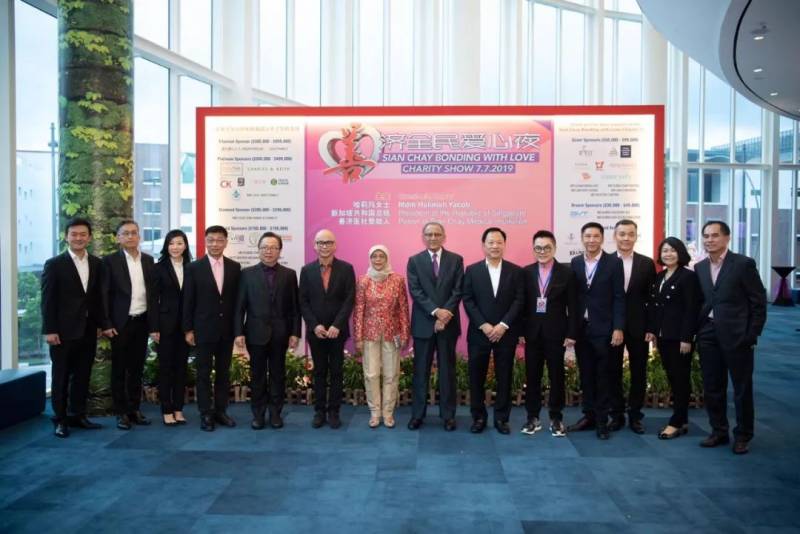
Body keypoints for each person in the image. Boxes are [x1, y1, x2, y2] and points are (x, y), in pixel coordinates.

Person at [694, 220, 766, 454]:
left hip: (737, 336)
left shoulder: (743, 264)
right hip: (708, 333)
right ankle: (719, 431)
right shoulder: (700, 267)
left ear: (727, 238)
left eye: (715, 235)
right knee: (712, 386)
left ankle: (743, 435)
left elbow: (758, 302)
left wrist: (751, 334)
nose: (710, 240)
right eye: (706, 236)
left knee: (741, 388)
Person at [40, 218, 105, 438]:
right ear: (66, 237)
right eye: (74, 234)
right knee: (61, 376)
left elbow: (96, 298)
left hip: (88, 329)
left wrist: (100, 324)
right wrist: (50, 330)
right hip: (62, 331)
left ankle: (78, 414)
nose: (78, 238)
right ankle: (60, 419)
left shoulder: (96, 263)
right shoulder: (54, 264)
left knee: (83, 375)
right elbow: (48, 300)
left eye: (83, 234)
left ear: (89, 237)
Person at [234, 232, 301, 430]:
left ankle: (275, 414)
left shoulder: (289, 274)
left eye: (273, 247)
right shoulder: (246, 274)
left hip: (281, 334)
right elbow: (239, 307)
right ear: (258, 250)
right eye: (264, 247)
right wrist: (238, 332)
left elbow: (295, 308)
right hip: (255, 333)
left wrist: (295, 333)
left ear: (280, 251)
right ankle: (258, 414)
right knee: (257, 376)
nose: (268, 251)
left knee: (278, 376)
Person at [462, 227, 523, 435]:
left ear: (504, 245)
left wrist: (503, 325)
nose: (495, 246)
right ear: (483, 245)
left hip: (506, 333)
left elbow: (519, 300)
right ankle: (478, 417)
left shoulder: (516, 271)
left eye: (499, 242)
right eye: (491, 242)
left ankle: (501, 419)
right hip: (479, 333)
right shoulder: (472, 270)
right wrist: (484, 325)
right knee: (476, 377)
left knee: (504, 377)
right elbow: (468, 300)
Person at [568, 222, 625, 440]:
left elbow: (619, 297)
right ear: (582, 238)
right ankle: (589, 416)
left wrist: (618, 327)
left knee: (603, 376)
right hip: (582, 329)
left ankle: (602, 421)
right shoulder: (575, 262)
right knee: (586, 375)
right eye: (588, 236)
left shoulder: (614, 263)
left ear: (602, 238)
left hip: (605, 329)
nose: (591, 240)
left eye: (595, 236)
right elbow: (573, 298)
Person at [183, 225, 241, 432]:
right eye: (211, 240)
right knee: (203, 374)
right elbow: (188, 301)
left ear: (226, 242)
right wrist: (188, 329)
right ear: (205, 241)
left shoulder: (235, 267)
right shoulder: (193, 268)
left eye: (219, 240)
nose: (215, 244)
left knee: (223, 374)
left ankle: (221, 411)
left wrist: (238, 330)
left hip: (226, 331)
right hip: (203, 330)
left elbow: (237, 302)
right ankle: (205, 413)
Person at [519, 230, 577, 437]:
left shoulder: (567, 273)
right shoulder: (526, 272)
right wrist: (520, 331)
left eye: (546, 248)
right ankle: (532, 417)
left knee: (556, 377)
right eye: (538, 248)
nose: (542, 251)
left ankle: (556, 417)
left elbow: (574, 306)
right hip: (532, 334)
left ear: (554, 248)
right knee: (532, 376)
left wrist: (572, 333)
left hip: (557, 334)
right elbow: (521, 304)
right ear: (533, 249)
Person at [406, 222, 464, 432]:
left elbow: (458, 290)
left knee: (447, 372)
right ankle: (417, 415)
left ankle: (448, 416)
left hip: (448, 323)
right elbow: (415, 291)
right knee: (420, 371)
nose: (433, 237)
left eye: (437, 234)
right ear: (423, 237)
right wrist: (435, 312)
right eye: (429, 234)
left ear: (444, 236)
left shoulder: (456, 260)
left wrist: (445, 313)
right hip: (424, 323)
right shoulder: (414, 261)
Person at [299, 229, 356, 429]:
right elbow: (303, 301)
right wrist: (314, 325)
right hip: (316, 332)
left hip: (337, 332)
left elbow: (349, 299)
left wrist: (336, 325)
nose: (324, 246)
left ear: (335, 245)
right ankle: (319, 411)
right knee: (319, 372)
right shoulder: (306, 270)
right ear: (315, 246)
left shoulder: (346, 268)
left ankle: (334, 412)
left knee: (337, 372)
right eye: (320, 243)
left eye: (328, 242)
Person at [645, 237, 700, 439]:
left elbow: (691, 309)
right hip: (664, 336)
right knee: (673, 377)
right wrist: (652, 330)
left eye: (672, 250)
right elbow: (655, 307)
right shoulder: (660, 276)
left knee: (680, 379)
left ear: (680, 253)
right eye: (665, 251)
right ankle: (682, 420)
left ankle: (676, 422)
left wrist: (687, 338)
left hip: (680, 338)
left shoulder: (688, 277)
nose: (668, 254)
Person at [101, 219, 155, 430]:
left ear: (139, 236)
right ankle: (121, 412)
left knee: (137, 369)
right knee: (119, 370)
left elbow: (152, 294)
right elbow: (104, 294)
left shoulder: (149, 260)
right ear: (118, 238)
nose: (130, 236)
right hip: (119, 324)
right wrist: (106, 323)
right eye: (125, 233)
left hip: (142, 321)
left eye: (134, 232)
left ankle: (134, 409)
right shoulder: (109, 261)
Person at [353, 245, 410, 428]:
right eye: (374, 256)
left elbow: (403, 309)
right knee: (371, 374)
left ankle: (388, 413)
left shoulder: (398, 280)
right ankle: (375, 413)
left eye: (381, 256)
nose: (378, 260)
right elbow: (359, 310)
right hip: (369, 334)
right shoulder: (363, 281)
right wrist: (358, 337)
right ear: (370, 259)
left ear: (387, 258)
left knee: (391, 374)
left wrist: (404, 333)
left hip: (392, 334)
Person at [609, 219, 656, 434]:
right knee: (612, 371)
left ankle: (635, 416)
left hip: (639, 327)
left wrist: (651, 327)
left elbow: (652, 299)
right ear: (615, 236)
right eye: (622, 234)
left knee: (639, 372)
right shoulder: (606, 261)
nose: (626, 238)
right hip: (612, 328)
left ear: (636, 236)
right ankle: (616, 415)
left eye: (630, 234)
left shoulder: (646, 264)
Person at [148, 230, 192, 426]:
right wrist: (153, 327)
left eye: (179, 243)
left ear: (185, 245)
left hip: (186, 326)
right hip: (164, 326)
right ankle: (166, 410)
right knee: (166, 368)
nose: (175, 247)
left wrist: (192, 327)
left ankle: (178, 409)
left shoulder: (192, 267)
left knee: (181, 368)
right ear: (166, 246)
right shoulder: (158, 268)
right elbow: (152, 300)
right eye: (172, 243)